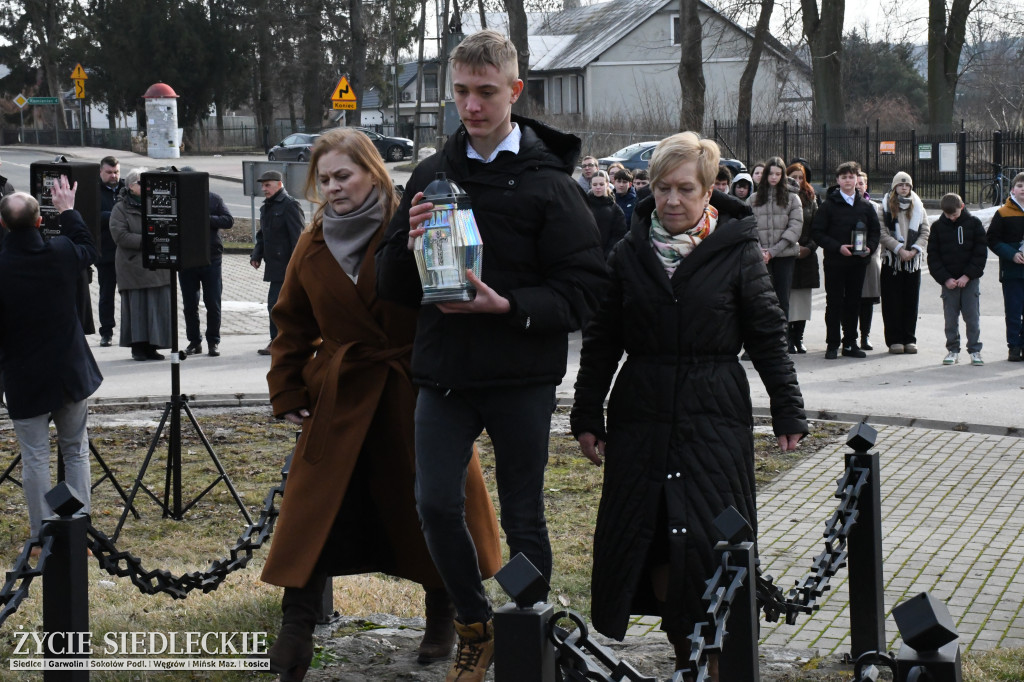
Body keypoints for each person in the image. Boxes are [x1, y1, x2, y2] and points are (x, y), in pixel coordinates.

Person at [376, 29, 608, 682]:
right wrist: (408, 243)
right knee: (436, 505)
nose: (471, 108)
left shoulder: (548, 184)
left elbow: (586, 291)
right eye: (460, 93)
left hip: (521, 377)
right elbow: (389, 285)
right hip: (445, 374)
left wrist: (510, 306)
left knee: (522, 514)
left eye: (485, 93)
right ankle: (473, 625)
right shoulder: (430, 174)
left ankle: (528, 624)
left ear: (515, 92)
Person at [260, 128, 502, 681]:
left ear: (372, 171)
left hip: (413, 388)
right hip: (341, 396)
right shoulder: (313, 239)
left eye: (343, 175)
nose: (333, 187)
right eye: (324, 179)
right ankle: (296, 625)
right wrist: (288, 389)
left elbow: (448, 299)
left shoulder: (411, 224)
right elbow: (290, 320)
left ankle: (443, 613)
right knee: (314, 510)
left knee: (434, 507)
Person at [570, 132, 806, 681]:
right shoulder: (628, 253)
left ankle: (716, 661)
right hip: (642, 413)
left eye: (685, 189)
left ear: (708, 191)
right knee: (656, 541)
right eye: (662, 188)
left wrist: (788, 409)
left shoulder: (738, 250)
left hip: (714, 412)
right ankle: (686, 659)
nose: (672, 200)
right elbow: (602, 340)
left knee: (708, 541)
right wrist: (587, 414)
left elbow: (769, 335)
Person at [0, 181, 101, 553]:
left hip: (24, 377)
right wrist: (69, 209)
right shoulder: (60, 252)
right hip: (68, 372)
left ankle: (42, 535)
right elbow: (89, 248)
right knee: (75, 450)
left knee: (35, 457)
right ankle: (79, 529)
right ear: (41, 220)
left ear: (2, 225)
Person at [812, 161, 880, 359]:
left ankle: (850, 343)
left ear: (857, 179)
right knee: (834, 303)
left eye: (851, 177)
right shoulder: (828, 206)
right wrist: (837, 247)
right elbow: (817, 232)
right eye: (844, 177)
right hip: (835, 262)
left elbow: (875, 231)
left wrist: (870, 247)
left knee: (853, 303)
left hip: (858, 263)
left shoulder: (866, 206)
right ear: (838, 180)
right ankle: (832, 344)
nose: (848, 181)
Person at [109, 167, 173, 361]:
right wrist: (150, 240)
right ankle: (138, 347)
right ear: (130, 186)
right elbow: (120, 235)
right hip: (133, 267)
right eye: (140, 182)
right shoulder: (120, 208)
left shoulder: (156, 203)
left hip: (157, 265)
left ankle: (153, 346)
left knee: (157, 307)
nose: (146, 186)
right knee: (137, 309)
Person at [177, 166, 233, 358]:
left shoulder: (212, 198)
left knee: (212, 302)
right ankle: (194, 341)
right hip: (186, 259)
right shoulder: (176, 199)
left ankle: (213, 341)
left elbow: (228, 220)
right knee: (190, 305)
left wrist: (205, 219)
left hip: (211, 258)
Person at [927, 193, 987, 366]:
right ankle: (953, 349)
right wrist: (945, 279)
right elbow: (933, 256)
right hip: (949, 282)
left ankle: (975, 350)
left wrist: (967, 275)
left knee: (972, 317)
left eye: (954, 215)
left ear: (962, 207)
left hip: (969, 280)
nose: (952, 219)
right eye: (948, 216)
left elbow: (980, 253)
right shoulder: (938, 227)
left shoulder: (974, 224)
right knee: (950, 318)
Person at [251, 170, 305, 355]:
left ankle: (278, 342)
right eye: (263, 185)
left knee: (275, 305)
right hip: (274, 266)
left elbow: (298, 238)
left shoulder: (290, 205)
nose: (263, 188)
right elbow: (262, 235)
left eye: (268, 185)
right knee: (278, 306)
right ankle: (283, 341)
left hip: (287, 266)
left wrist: (296, 267)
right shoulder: (266, 207)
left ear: (279, 185)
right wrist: (256, 255)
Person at [879, 172, 930, 354]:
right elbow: (882, 233)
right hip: (892, 261)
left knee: (910, 300)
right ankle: (894, 340)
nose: (904, 188)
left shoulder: (918, 206)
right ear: (894, 187)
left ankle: (909, 338)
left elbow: (925, 231)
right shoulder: (884, 206)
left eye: (907, 185)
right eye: (900, 185)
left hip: (912, 262)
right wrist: (899, 249)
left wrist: (914, 250)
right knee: (892, 301)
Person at [748, 156, 802, 324]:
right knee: (760, 301)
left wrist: (773, 251)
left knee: (782, 300)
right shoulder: (753, 199)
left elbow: (795, 227)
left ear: (782, 176)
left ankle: (780, 343)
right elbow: (749, 228)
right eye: (770, 173)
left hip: (784, 256)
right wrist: (760, 250)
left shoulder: (793, 199)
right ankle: (758, 344)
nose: (774, 177)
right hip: (760, 257)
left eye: (778, 174)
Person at [985, 171, 1024, 361]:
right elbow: (992, 240)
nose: (1023, 189)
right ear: (1012, 190)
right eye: (1020, 186)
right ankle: (1014, 346)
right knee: (1014, 311)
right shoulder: (1003, 213)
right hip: (1012, 271)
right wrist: (1012, 254)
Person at [786, 163, 820, 353]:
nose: (797, 181)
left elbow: (817, 226)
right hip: (786, 252)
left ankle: (799, 337)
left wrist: (809, 248)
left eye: (801, 177)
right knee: (787, 296)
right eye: (794, 177)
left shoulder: (811, 198)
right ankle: (788, 337)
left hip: (806, 254)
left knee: (802, 299)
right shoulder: (782, 197)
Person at [97, 156, 123, 347]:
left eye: (116, 172)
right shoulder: (93, 190)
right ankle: (106, 332)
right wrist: (116, 216)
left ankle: (130, 330)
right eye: (109, 172)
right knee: (106, 295)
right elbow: (92, 216)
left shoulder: (126, 188)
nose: (113, 176)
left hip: (126, 253)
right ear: (101, 172)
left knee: (129, 293)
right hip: (105, 252)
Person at [856, 172, 883, 351]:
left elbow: (880, 232)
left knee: (866, 301)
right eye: (855, 182)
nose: (858, 186)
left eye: (861, 183)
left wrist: (870, 250)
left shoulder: (875, 207)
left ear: (866, 186)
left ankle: (865, 335)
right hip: (848, 258)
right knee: (847, 300)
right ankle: (848, 335)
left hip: (870, 258)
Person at [586, 170, 628, 257]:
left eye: (601, 184)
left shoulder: (616, 209)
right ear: (591, 185)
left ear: (607, 184)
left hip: (606, 255)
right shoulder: (584, 205)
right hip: (586, 254)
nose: (598, 187)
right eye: (594, 185)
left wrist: (607, 255)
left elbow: (618, 235)